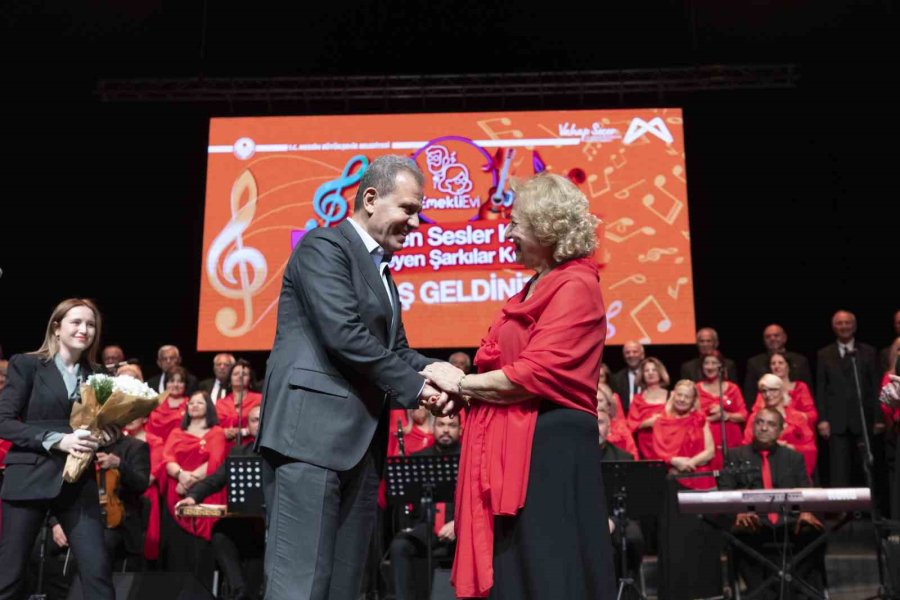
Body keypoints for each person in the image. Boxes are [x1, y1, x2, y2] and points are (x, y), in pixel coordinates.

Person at [255, 155, 448, 600]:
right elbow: (344, 334)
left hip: (360, 448)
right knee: (300, 587)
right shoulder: (323, 246)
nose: (415, 223)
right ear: (371, 198)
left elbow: (395, 350)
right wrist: (420, 389)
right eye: (408, 209)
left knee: (345, 588)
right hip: (310, 441)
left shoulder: (383, 272)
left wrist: (445, 373)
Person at [422, 172, 615, 599]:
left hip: (551, 447)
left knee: (550, 567)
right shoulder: (534, 285)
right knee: (519, 569)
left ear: (546, 228)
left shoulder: (577, 284)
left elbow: (536, 373)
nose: (506, 232)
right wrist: (461, 391)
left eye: (514, 223)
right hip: (518, 443)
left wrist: (463, 383)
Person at [0, 298, 118, 599]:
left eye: (91, 324)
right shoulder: (26, 365)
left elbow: (111, 425)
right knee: (10, 574)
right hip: (29, 477)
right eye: (76, 322)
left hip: (77, 483)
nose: (84, 329)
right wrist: (58, 439)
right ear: (57, 327)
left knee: (98, 572)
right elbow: (3, 421)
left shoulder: (100, 376)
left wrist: (106, 435)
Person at [718, 407, 826, 599]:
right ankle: (759, 592)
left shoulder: (794, 458)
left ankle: (796, 589)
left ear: (780, 430)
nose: (764, 428)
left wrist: (805, 512)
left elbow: (805, 491)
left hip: (788, 522)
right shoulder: (735, 456)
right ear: (753, 426)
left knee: (816, 533)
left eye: (770, 424)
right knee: (739, 534)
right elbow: (725, 492)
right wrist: (739, 512)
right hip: (753, 522)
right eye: (759, 422)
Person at [177, 405, 265, 600]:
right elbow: (214, 480)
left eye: (262, 419)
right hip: (246, 521)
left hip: (272, 526)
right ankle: (239, 589)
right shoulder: (239, 452)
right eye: (254, 420)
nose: (258, 425)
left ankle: (248, 593)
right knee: (221, 531)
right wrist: (192, 497)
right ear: (248, 426)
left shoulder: (279, 457)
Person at [388, 414, 461, 600]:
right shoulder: (418, 459)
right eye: (441, 424)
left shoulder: (468, 458)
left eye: (451, 425)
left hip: (461, 529)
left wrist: (458, 524)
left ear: (460, 430)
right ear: (433, 427)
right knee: (399, 546)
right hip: (427, 527)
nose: (445, 429)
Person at [159, 391, 227, 580]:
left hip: (205, 494)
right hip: (176, 493)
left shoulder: (216, 432)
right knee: (177, 552)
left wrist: (189, 481)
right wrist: (180, 475)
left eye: (200, 403)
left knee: (199, 553)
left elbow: (215, 462)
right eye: (191, 403)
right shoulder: (176, 432)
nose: (194, 406)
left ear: (209, 408)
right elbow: (167, 458)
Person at [816, 310, 882, 487]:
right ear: (833, 327)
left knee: (865, 465)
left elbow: (876, 387)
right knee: (839, 467)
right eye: (839, 323)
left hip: (863, 418)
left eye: (847, 323)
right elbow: (821, 389)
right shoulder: (824, 354)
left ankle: (869, 508)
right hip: (836, 420)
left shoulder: (868, 351)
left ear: (854, 326)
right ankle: (841, 511)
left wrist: (878, 418)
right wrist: (822, 420)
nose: (844, 327)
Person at [746, 374, 817, 478]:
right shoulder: (754, 418)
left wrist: (790, 447)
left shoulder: (798, 417)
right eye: (764, 391)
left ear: (782, 391)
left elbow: (811, 448)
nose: (768, 394)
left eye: (772, 390)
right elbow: (747, 446)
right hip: (763, 472)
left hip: (791, 470)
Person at [652, 380, 715, 489]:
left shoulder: (700, 419)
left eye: (687, 397)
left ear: (693, 400)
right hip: (672, 477)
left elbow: (710, 451)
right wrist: (674, 461)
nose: (682, 399)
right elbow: (657, 452)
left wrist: (688, 464)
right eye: (679, 395)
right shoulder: (660, 422)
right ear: (673, 395)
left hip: (700, 478)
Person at [695, 351, 747, 469]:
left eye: (714, 363)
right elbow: (693, 420)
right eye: (706, 363)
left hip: (731, 437)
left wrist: (727, 415)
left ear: (721, 367)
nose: (710, 367)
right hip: (707, 439)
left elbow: (743, 415)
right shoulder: (696, 389)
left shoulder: (733, 388)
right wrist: (713, 418)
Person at [744, 324, 813, 409]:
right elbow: (750, 394)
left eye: (776, 335)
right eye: (768, 337)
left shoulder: (800, 361)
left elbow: (809, 394)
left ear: (785, 338)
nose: (772, 339)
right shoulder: (754, 363)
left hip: (796, 412)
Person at [750, 351, 818, 425]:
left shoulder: (800, 387)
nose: (776, 366)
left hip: (798, 429)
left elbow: (812, 414)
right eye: (773, 363)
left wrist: (795, 417)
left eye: (780, 363)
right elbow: (756, 412)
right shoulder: (766, 389)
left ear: (788, 366)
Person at [626, 357, 670, 459]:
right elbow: (631, 424)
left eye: (654, 370)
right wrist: (648, 422)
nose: (650, 373)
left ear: (660, 373)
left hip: (666, 443)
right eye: (647, 370)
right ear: (642, 375)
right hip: (645, 446)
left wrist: (661, 420)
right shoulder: (637, 399)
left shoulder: (671, 396)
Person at [216, 359, 262, 447]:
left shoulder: (259, 399)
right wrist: (224, 432)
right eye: (235, 374)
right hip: (226, 446)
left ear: (250, 379)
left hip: (253, 445)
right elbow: (213, 427)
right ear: (230, 379)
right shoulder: (220, 403)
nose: (240, 376)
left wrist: (245, 431)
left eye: (244, 374)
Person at [145, 366, 189, 442]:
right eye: (171, 381)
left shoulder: (191, 404)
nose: (175, 385)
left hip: (181, 446)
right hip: (154, 446)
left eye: (180, 381)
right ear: (166, 384)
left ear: (185, 385)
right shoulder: (156, 403)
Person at [597, 383, 638, 458]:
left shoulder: (622, 429)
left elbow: (632, 455)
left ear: (609, 405)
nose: (596, 404)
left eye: (600, 401)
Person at [613, 341, 645, 412]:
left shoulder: (650, 376)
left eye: (635, 352)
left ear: (642, 355)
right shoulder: (617, 378)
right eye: (627, 353)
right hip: (625, 419)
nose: (631, 355)